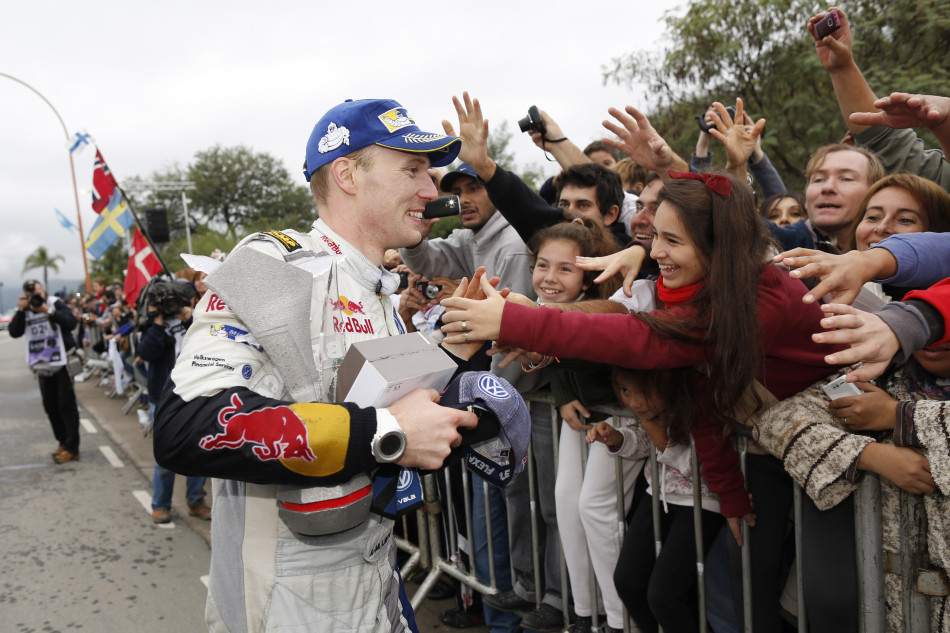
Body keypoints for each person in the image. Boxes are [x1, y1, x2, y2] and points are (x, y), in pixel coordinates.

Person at [442, 170, 846, 633]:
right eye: (653, 237)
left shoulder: (761, 297)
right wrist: (730, 492)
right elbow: (702, 389)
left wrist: (522, 322)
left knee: (808, 599)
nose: (653, 253)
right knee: (718, 586)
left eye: (672, 240)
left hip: (830, 452)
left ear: (720, 244)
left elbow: (648, 339)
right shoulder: (706, 288)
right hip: (763, 450)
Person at [153, 98, 484, 633]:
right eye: (413, 170)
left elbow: (394, 420)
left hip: (377, 589)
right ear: (347, 175)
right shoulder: (273, 263)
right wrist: (387, 430)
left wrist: (467, 352)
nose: (431, 190)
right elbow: (186, 425)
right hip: (284, 611)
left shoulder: (378, 288)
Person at [589, 368, 722, 633]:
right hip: (658, 494)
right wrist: (618, 438)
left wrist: (661, 440)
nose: (634, 402)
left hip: (701, 501)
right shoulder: (652, 412)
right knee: (627, 581)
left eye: (645, 392)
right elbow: (644, 442)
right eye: (625, 391)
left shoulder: (701, 406)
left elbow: (710, 470)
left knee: (664, 595)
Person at [136, 283, 210, 524]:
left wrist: (188, 318)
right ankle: (160, 505)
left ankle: (196, 501)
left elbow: (207, 342)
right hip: (163, 398)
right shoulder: (151, 326)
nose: (170, 307)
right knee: (164, 456)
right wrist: (158, 323)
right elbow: (146, 353)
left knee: (198, 451)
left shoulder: (193, 320)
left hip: (194, 393)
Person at [9, 279, 82, 464]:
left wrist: (47, 311)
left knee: (66, 405)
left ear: (44, 291)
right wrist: (20, 311)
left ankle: (72, 448)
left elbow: (71, 323)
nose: (35, 297)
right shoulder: (26, 310)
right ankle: (62, 442)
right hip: (42, 365)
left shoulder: (53, 303)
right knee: (51, 407)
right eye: (31, 294)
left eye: (38, 293)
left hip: (62, 362)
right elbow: (14, 332)